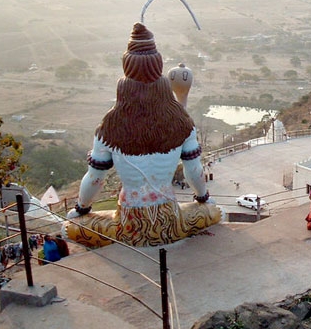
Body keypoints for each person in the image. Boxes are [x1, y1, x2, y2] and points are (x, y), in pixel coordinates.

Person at [64, 22, 221, 247]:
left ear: (126, 68)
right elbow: (193, 170)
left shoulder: (109, 126)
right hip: (171, 222)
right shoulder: (182, 121)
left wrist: (81, 209)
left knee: (69, 227)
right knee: (216, 212)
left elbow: (95, 179)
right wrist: (203, 199)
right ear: (159, 67)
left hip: (129, 226)